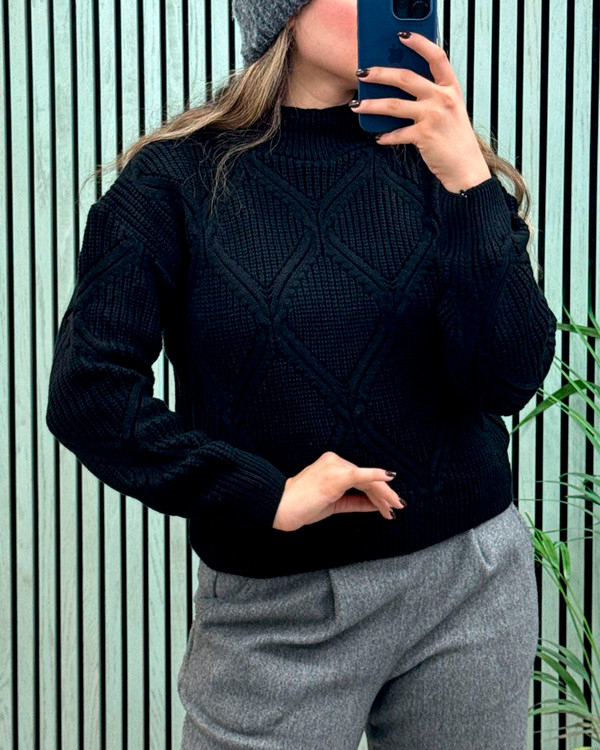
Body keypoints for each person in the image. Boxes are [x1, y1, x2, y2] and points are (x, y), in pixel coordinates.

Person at [45, 0, 557, 747]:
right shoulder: (173, 183)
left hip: (471, 584)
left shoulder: (439, 157)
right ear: (281, 13)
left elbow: (508, 381)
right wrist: (266, 494)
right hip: (275, 615)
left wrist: (470, 188)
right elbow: (89, 392)